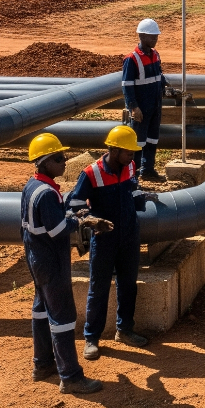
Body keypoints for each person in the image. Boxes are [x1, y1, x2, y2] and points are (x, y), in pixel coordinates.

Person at [22, 133, 111, 394]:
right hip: (52, 260)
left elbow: (42, 223)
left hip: (36, 258)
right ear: (45, 162)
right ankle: (70, 376)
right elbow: (57, 229)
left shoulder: (32, 186)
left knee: (41, 309)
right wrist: (83, 221)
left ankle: (43, 364)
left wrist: (73, 212)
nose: (65, 161)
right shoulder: (47, 193)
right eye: (59, 158)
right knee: (63, 317)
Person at [68, 125, 155, 360]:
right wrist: (90, 219)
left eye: (134, 153)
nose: (133, 157)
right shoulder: (91, 173)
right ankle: (91, 338)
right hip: (104, 238)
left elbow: (130, 190)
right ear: (114, 150)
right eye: (129, 153)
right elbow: (74, 203)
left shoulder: (130, 166)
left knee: (129, 284)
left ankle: (125, 329)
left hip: (129, 234)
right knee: (99, 288)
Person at [122, 18, 178, 182]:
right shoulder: (132, 59)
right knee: (138, 142)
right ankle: (134, 174)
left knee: (152, 138)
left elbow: (159, 75)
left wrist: (166, 85)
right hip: (141, 107)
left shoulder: (155, 55)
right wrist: (133, 107)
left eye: (156, 36)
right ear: (142, 36)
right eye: (152, 36)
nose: (155, 39)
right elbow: (127, 85)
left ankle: (148, 170)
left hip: (155, 105)